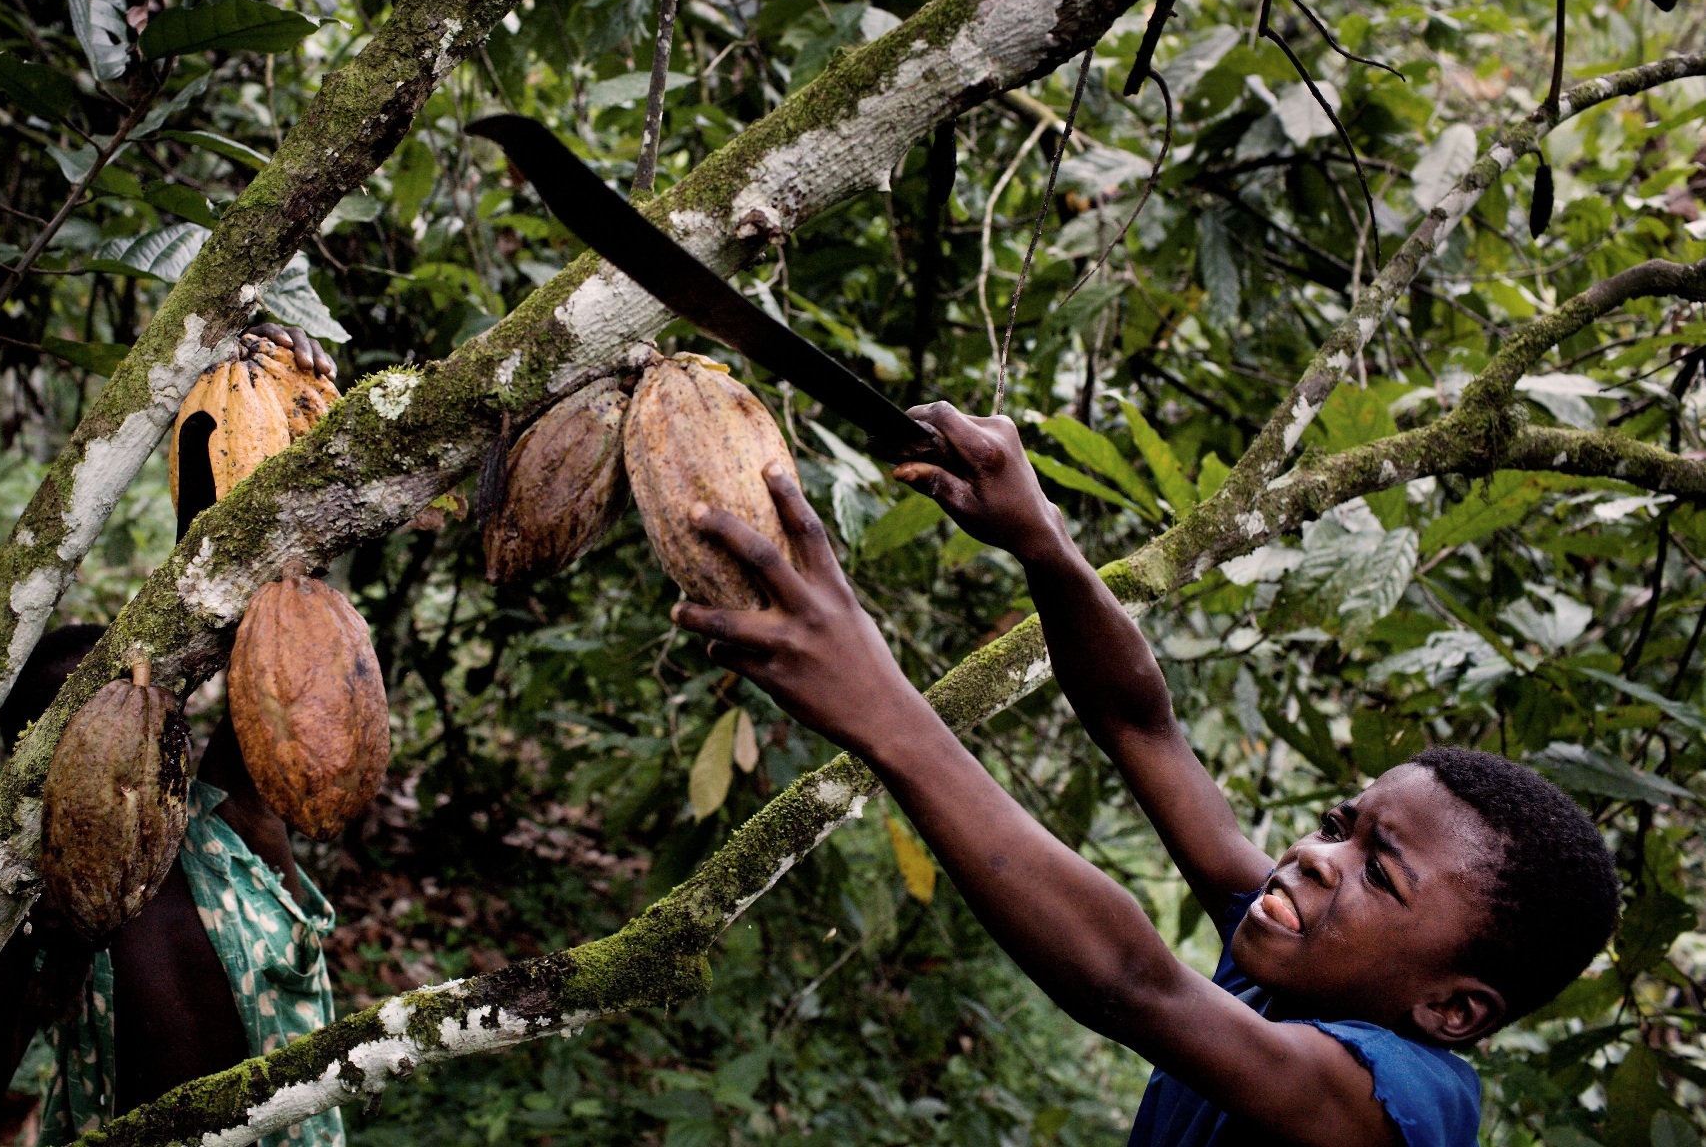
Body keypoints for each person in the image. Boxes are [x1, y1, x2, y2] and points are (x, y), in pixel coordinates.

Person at [671, 403, 1622, 1147]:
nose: (1317, 856)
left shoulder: (1400, 1102)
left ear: (1451, 1008)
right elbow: (1142, 726)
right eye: (1342, 824)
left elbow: (1135, 983)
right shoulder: (1303, 963)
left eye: (1380, 873)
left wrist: (883, 712)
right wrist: (1041, 537)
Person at [0, 326, 347, 1147]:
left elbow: (274, 626)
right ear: (35, 767)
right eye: (85, 735)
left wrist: (239, 404)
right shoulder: (45, 908)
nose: (123, 748)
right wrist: (34, 943)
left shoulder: (234, 824)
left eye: (143, 720)